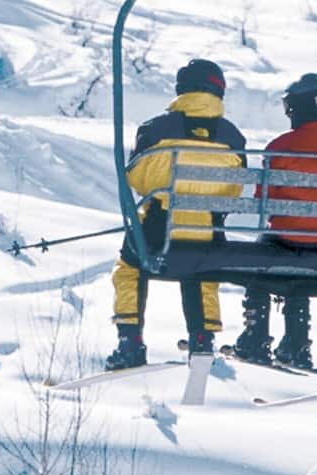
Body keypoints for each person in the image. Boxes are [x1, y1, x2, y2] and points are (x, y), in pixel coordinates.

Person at [106, 59, 247, 370]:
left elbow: (136, 179)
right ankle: (202, 338)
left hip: (160, 227)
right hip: (207, 231)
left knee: (130, 268)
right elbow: (234, 190)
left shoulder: (156, 129)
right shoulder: (233, 137)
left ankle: (130, 342)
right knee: (199, 270)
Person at [230, 74, 317, 371]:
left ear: (297, 107)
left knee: (260, 260)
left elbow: (265, 199)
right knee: (303, 262)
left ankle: (256, 337)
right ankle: (297, 343)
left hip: (285, 238)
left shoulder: (281, 145)